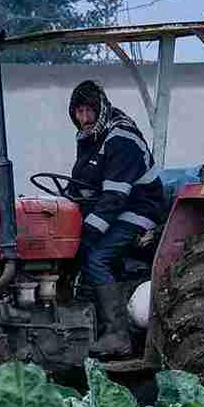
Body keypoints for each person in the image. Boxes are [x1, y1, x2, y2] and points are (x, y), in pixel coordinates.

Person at [68, 80, 164, 357]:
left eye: (89, 111)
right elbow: (81, 184)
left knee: (95, 257)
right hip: (115, 208)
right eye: (79, 112)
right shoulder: (90, 137)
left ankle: (117, 335)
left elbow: (115, 196)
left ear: (100, 109)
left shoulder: (121, 137)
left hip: (140, 208)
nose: (84, 118)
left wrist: (86, 235)